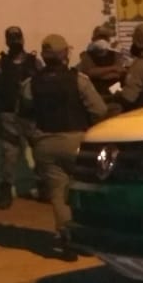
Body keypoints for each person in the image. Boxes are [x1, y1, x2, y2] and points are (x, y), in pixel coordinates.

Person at [18, 34, 108, 257]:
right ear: (64, 54)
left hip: (45, 144)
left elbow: (23, 117)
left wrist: (35, 139)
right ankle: (88, 236)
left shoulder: (30, 84)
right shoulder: (79, 80)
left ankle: (67, 237)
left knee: (58, 194)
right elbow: (100, 111)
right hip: (76, 142)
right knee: (84, 191)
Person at [0, 26, 42, 208]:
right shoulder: (0, 66)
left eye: (17, 37)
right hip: (9, 116)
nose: (15, 41)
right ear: (7, 41)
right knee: (9, 155)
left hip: (32, 116)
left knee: (42, 152)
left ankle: (44, 186)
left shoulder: (35, 63)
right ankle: (6, 190)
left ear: (23, 39)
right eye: (12, 38)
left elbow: (44, 85)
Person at [77, 25, 128, 97]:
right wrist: (113, 68)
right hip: (94, 93)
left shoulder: (116, 54)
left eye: (104, 38)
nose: (101, 41)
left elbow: (118, 73)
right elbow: (90, 72)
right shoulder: (87, 55)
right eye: (99, 38)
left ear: (108, 40)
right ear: (93, 40)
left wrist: (98, 74)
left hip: (114, 93)